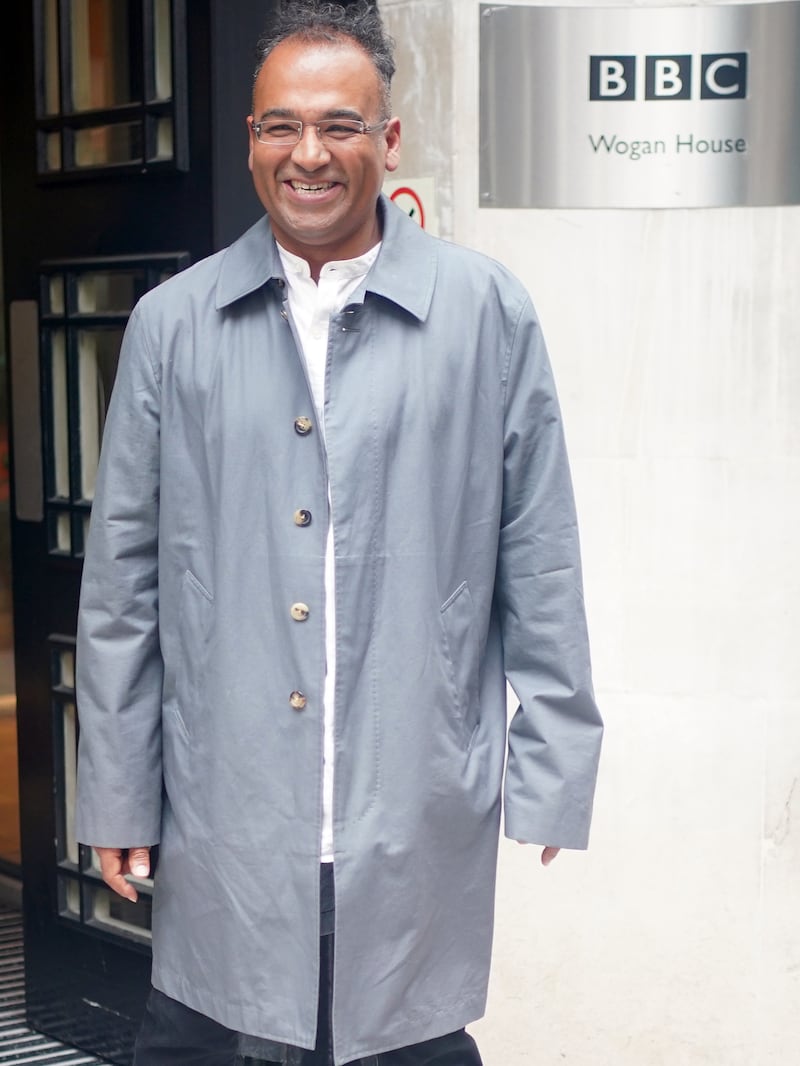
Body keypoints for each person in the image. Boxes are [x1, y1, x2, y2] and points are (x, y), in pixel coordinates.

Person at [75, 2, 603, 1064]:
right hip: (229, 810)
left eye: (339, 125)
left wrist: (550, 762)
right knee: (201, 1031)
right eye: (279, 126)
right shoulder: (172, 324)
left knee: (407, 1034)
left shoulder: (483, 312)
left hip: (408, 801)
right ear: (251, 140)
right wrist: (119, 787)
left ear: (387, 139)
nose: (306, 154)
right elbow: (123, 580)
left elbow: (536, 550)